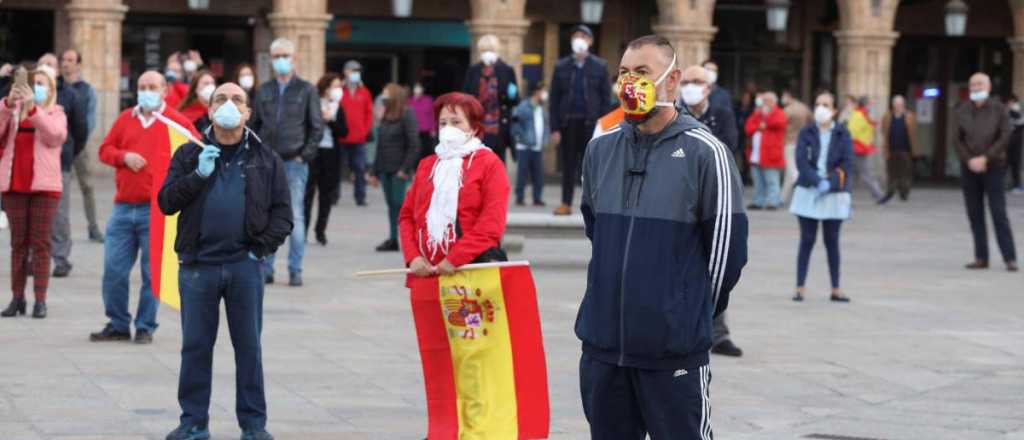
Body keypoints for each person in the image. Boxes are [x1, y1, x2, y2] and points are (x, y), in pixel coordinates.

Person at [576, 36, 748, 440]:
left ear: (671, 83)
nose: (630, 83)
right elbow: (594, 229)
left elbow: (727, 253)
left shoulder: (707, 153)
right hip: (603, 348)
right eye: (623, 73)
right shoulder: (600, 150)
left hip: (672, 352)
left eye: (642, 73)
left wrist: (686, 314)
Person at [158, 82, 291, 440]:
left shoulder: (265, 157)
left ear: (247, 112)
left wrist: (259, 250)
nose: (228, 105)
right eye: (220, 99)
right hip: (197, 266)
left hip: (244, 267)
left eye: (236, 100)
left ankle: (253, 426)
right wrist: (199, 175)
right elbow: (167, 202)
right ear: (209, 109)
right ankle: (193, 423)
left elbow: (283, 214)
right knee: (195, 348)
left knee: (249, 349)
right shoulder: (189, 154)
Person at [88, 71, 199, 343]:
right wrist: (123, 156)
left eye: (152, 87)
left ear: (164, 91)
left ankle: (145, 325)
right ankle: (117, 322)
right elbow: (104, 149)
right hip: (124, 207)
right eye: (142, 86)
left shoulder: (176, 122)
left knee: (153, 272)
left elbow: (197, 152)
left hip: (157, 211)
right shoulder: (126, 119)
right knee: (114, 270)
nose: (146, 91)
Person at [400, 91, 508, 271]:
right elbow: (407, 216)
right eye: (443, 123)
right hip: (426, 273)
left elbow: (491, 224)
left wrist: (455, 259)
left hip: (471, 272)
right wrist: (413, 257)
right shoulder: (427, 165)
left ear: (473, 128)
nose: (448, 128)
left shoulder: (490, 164)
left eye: (456, 122)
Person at [679, 64, 744, 358]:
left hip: (714, 202)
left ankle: (718, 333)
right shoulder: (673, 115)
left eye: (697, 81)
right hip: (679, 202)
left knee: (716, 267)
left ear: (708, 88)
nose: (691, 86)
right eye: (687, 81)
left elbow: (728, 148)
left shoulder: (722, 113)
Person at [249, 37, 324, 287]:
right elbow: (255, 125)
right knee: (266, 214)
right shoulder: (265, 90)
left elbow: (316, 127)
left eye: (285, 55)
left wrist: (305, 154)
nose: (281, 60)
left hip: (294, 161)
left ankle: (295, 269)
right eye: (276, 56)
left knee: (296, 216)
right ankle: (267, 267)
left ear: (294, 59)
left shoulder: (306, 90)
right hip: (267, 160)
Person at [0, 66, 68, 319]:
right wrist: (8, 104)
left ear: (50, 90)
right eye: (31, 82)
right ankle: (17, 298)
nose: (35, 87)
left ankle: (40, 300)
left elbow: (55, 136)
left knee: (40, 244)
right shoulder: (10, 110)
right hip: (14, 185)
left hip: (44, 188)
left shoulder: (56, 113)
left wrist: (34, 110)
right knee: (18, 244)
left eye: (41, 84)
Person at [789, 92, 854, 303]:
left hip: (834, 192)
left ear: (834, 110)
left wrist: (831, 182)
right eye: (818, 104)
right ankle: (800, 287)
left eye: (825, 105)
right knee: (806, 240)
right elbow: (801, 161)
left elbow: (846, 163)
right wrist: (817, 181)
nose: (821, 108)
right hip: (809, 190)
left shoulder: (843, 133)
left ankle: (836, 288)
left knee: (832, 241)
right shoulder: (806, 132)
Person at [954, 73, 1018, 272]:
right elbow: (956, 139)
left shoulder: (999, 109)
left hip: (994, 166)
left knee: (998, 212)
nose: (975, 87)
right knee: (975, 213)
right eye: (972, 84)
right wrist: (970, 160)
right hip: (970, 167)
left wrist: (986, 158)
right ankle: (981, 257)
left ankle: (1010, 258)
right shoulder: (961, 109)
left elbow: (1006, 135)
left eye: (980, 83)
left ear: (988, 87)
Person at [549, 24, 611, 216]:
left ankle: (592, 204)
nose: (580, 39)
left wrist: (604, 126)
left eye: (584, 36)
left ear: (590, 41)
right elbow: (554, 99)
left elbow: (605, 98)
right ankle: (565, 203)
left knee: (591, 164)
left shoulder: (600, 66)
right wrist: (555, 128)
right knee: (568, 164)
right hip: (568, 122)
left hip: (591, 124)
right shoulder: (561, 66)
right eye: (576, 36)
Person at [37, 55, 88, 278]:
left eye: (50, 65)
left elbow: (80, 129)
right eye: (42, 64)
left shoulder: (69, 95)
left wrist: (70, 152)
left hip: (60, 163)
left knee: (59, 214)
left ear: (57, 71)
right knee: (34, 214)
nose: (45, 69)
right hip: (31, 164)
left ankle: (60, 259)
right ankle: (34, 258)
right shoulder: (29, 95)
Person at [60, 48, 104, 243]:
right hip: (58, 145)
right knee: (60, 189)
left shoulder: (87, 90)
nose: (66, 63)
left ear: (78, 64)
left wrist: (79, 142)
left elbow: (90, 119)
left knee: (87, 186)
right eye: (64, 60)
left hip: (80, 145)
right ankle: (60, 230)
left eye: (70, 60)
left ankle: (93, 227)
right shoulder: (56, 86)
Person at [372, 83, 420, 252]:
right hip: (386, 168)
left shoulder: (407, 114)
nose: (383, 97)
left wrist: (405, 169)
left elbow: (414, 144)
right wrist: (374, 171)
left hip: (399, 169)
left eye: (386, 93)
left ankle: (411, 239)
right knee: (391, 205)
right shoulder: (386, 116)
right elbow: (380, 145)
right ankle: (393, 238)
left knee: (401, 206)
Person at [303, 73, 347, 247]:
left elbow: (344, 131)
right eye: (335, 86)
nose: (338, 90)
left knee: (326, 195)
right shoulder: (313, 103)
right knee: (308, 193)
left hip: (331, 154)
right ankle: (304, 231)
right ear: (326, 87)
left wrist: (331, 120)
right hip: (313, 153)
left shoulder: (339, 108)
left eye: (339, 87)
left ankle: (320, 231)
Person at [462, 35, 519, 163]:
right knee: (476, 163)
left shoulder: (506, 70)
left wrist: (511, 95)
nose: (487, 53)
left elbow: (515, 100)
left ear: (497, 51)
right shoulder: (473, 70)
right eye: (484, 50)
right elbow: (465, 96)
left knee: (497, 164)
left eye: (491, 50)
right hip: (477, 127)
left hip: (498, 127)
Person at [337, 60, 373, 207]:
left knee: (360, 168)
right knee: (337, 169)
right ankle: (334, 196)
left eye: (357, 71)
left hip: (359, 139)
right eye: (352, 71)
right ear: (345, 72)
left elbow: (369, 114)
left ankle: (360, 197)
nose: (355, 74)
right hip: (341, 138)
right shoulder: (339, 91)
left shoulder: (364, 92)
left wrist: (364, 131)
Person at [744, 91, 787, 210]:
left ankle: (773, 202)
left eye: (767, 100)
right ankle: (758, 201)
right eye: (763, 100)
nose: (764, 103)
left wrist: (764, 122)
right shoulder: (758, 114)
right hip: (756, 154)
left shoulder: (779, 113)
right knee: (758, 180)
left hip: (771, 154)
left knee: (772, 180)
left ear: (774, 102)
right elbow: (748, 127)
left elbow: (778, 123)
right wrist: (761, 125)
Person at [511, 81, 550, 207]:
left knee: (538, 174)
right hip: (524, 147)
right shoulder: (523, 107)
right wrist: (523, 138)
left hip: (537, 147)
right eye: (543, 91)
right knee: (522, 173)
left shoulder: (541, 108)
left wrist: (545, 139)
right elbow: (515, 124)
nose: (545, 94)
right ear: (536, 92)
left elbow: (545, 125)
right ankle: (519, 197)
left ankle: (537, 198)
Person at [845, 96, 885, 202]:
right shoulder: (859, 115)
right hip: (858, 148)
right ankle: (879, 195)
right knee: (864, 173)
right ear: (865, 104)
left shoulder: (861, 114)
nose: (872, 106)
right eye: (870, 104)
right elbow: (852, 132)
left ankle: (845, 197)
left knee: (852, 174)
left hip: (859, 148)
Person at [879, 95, 918, 204]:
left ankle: (904, 192)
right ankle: (890, 191)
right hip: (891, 149)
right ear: (893, 105)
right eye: (896, 104)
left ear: (903, 105)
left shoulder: (910, 116)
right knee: (892, 172)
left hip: (905, 150)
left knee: (905, 172)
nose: (898, 106)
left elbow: (913, 133)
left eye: (900, 104)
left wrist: (914, 150)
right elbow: (883, 131)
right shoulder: (887, 117)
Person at [780, 89, 812, 203]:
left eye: (784, 95)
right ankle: (782, 198)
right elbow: (811, 121)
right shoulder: (804, 108)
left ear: (789, 96)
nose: (782, 98)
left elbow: (781, 125)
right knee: (790, 172)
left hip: (789, 141)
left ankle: (803, 192)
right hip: (803, 142)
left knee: (792, 170)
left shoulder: (787, 110)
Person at [408, 81, 436, 163]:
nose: (418, 90)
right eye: (416, 88)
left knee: (426, 151)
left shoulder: (428, 100)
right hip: (414, 130)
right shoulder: (409, 101)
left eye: (419, 87)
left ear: (423, 89)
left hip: (426, 131)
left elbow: (433, 115)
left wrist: (433, 128)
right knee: (416, 151)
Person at [701, 59, 733, 124]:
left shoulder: (724, 95)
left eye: (714, 71)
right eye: (708, 69)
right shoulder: (694, 91)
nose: (711, 73)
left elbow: (729, 119)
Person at [1006, 94, 1024, 194]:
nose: (1009, 104)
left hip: (1015, 143)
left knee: (1015, 164)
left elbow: (1020, 123)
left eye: (1010, 102)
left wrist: (1012, 111)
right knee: (1009, 164)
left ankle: (1017, 186)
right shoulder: (1008, 111)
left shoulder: (1017, 110)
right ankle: (1015, 185)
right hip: (1009, 142)